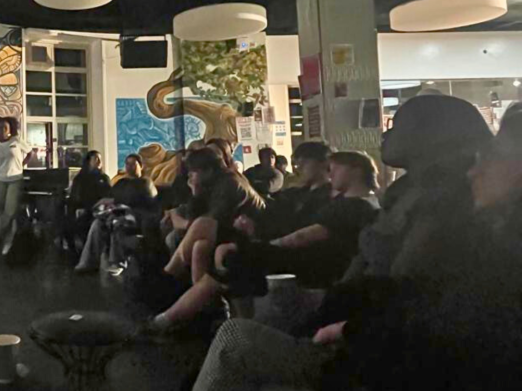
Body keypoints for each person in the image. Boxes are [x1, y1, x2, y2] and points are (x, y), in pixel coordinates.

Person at [192, 110, 521, 391]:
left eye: (492, 157)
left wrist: (352, 328)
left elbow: (440, 313)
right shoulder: (418, 200)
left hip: (386, 360)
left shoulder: (458, 220)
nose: (475, 170)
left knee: (236, 338)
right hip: (366, 327)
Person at [215, 151, 381, 290]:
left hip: (316, 265)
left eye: (336, 169)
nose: (331, 174)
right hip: (319, 260)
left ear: (356, 170)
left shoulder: (352, 206)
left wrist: (264, 245)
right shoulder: (366, 202)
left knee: (234, 259)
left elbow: (303, 237)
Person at [147, 148, 264, 332]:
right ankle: (209, 309)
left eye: (194, 172)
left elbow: (207, 222)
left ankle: (167, 277)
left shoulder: (229, 184)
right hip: (231, 232)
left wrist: (177, 216)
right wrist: (195, 192)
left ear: (208, 171)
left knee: (200, 227)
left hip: (254, 234)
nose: (190, 176)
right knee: (200, 247)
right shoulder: (216, 183)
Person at [75, 154, 157, 273]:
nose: (129, 167)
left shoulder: (145, 183)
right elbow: (110, 196)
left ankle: (117, 262)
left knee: (118, 222)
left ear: (141, 166)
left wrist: (117, 202)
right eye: (127, 164)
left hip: (135, 216)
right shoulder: (121, 182)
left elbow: (144, 202)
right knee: (97, 224)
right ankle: (88, 262)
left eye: (133, 164)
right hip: (116, 212)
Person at [242, 141, 334, 241]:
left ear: (324, 163)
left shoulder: (330, 198)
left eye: (305, 162)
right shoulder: (293, 193)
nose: (299, 167)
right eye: (297, 163)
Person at [0, 116, 33, 255]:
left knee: (10, 211)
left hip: (15, 179)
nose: (4, 129)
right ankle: (6, 241)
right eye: (1, 127)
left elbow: (30, 152)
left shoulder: (16, 141)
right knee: (2, 213)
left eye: (6, 127)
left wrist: (21, 165)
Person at [64, 151, 112, 251]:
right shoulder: (80, 178)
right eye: (95, 159)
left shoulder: (104, 177)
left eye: (100, 159)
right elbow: (75, 196)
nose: (99, 162)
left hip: (99, 209)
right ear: (88, 161)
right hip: (82, 208)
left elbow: (109, 195)